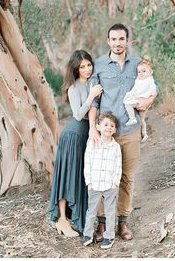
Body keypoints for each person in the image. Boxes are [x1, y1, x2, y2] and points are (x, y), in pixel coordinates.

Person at [88, 23, 157, 241]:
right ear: (108, 41)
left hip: (130, 130)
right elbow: (94, 101)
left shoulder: (138, 64)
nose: (118, 43)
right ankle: (102, 223)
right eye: (114, 39)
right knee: (102, 178)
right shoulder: (98, 66)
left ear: (127, 40)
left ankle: (122, 221)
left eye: (121, 39)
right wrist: (93, 128)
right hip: (106, 133)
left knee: (127, 177)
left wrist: (149, 100)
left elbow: (155, 88)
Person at [48, 50, 103, 237]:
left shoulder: (95, 82)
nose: (87, 69)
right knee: (67, 178)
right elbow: (78, 114)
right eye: (82, 67)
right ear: (76, 69)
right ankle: (62, 220)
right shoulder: (73, 87)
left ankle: (78, 220)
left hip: (85, 138)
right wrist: (91, 96)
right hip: (72, 136)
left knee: (80, 178)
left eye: (89, 65)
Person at [83, 112, 122, 249]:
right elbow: (87, 162)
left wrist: (115, 182)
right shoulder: (92, 143)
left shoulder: (115, 147)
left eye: (112, 126)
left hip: (109, 184)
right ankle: (87, 234)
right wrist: (89, 181)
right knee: (92, 211)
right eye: (106, 125)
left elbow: (118, 165)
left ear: (115, 130)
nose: (109, 128)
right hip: (95, 183)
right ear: (98, 127)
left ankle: (109, 236)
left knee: (110, 212)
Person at [123, 56, 157, 142]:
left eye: (144, 71)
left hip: (141, 100)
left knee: (127, 104)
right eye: (139, 72)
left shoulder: (149, 81)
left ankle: (132, 118)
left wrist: (149, 99)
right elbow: (135, 88)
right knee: (142, 119)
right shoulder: (139, 80)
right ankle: (144, 134)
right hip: (139, 100)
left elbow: (153, 90)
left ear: (151, 72)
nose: (141, 74)